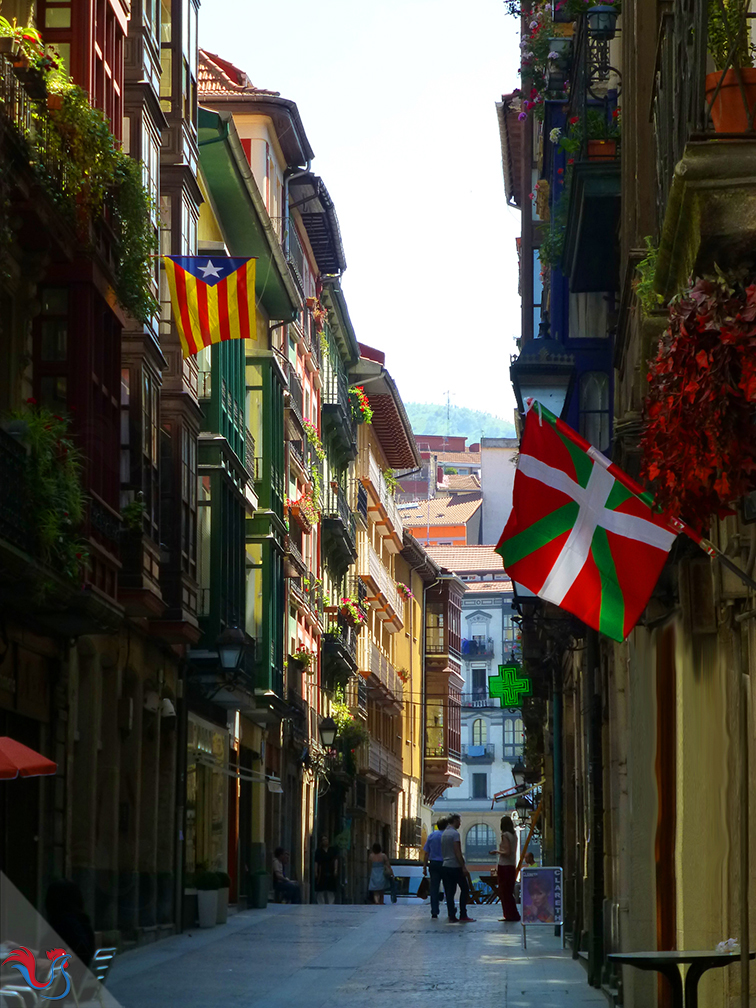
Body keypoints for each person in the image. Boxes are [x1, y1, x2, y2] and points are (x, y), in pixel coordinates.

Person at [43, 879, 95, 989]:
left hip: (61, 986)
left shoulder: (67, 922)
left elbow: (80, 948)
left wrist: (51, 964)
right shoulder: (81, 921)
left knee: (12, 985)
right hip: (73, 983)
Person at [440, 814, 475, 923]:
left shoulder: (444, 833)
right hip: (455, 866)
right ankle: (463, 914)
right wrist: (463, 866)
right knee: (465, 889)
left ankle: (451, 915)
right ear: (455, 821)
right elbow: (457, 851)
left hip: (445, 865)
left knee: (450, 892)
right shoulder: (455, 834)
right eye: (459, 821)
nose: (460, 823)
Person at [491, 815, 520, 922]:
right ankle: (513, 914)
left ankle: (509, 915)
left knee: (504, 892)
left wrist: (496, 852)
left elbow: (506, 852)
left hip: (504, 865)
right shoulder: (514, 835)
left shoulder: (505, 835)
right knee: (509, 891)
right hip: (512, 865)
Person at [422, 816, 448, 919]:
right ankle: (451, 909)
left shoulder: (432, 836)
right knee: (448, 886)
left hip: (433, 864)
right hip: (446, 864)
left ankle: (434, 911)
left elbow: (426, 853)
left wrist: (424, 867)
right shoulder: (447, 836)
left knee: (434, 888)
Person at [314, 836, 339, 904]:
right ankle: (321, 904)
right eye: (323, 840)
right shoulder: (319, 851)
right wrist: (315, 871)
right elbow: (316, 862)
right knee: (321, 889)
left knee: (330, 889)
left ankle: (330, 904)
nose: (325, 841)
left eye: (326, 839)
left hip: (330, 870)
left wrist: (336, 869)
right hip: (321, 871)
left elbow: (335, 860)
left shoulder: (332, 850)